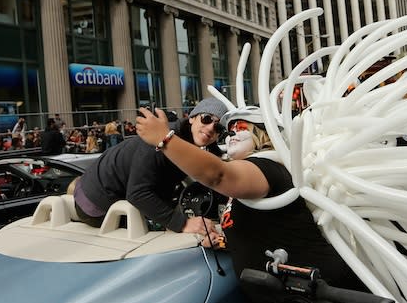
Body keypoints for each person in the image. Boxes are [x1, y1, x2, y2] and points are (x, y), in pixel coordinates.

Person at [135, 105, 359, 288]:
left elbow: (217, 175)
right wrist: (221, 240)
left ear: (264, 135)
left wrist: (164, 139)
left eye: (239, 127)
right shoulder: (247, 180)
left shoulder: (267, 167)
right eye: (228, 131)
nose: (231, 135)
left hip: (319, 297)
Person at [73, 97, 229, 233]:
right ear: (191, 118)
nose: (210, 128)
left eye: (218, 127)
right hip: (95, 203)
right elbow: (138, 194)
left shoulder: (186, 143)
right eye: (206, 119)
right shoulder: (162, 140)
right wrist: (182, 223)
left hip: (99, 191)